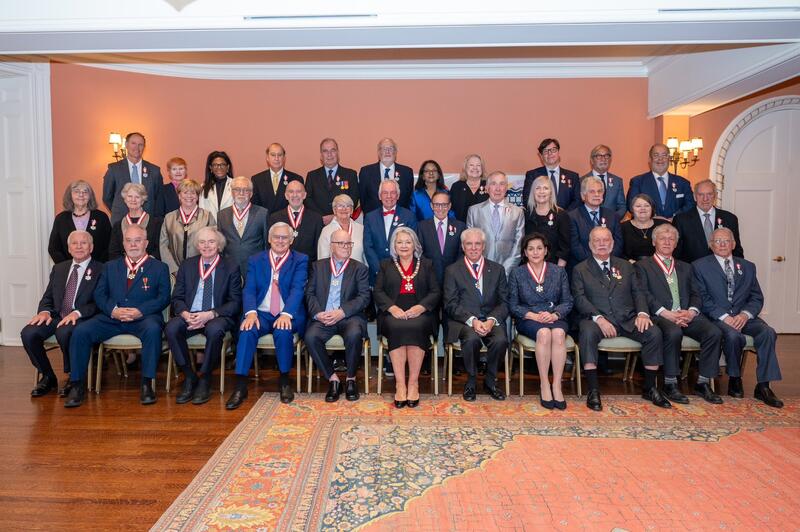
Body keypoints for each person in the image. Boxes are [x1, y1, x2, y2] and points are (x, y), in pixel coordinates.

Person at [64, 224, 171, 408]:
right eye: (129, 241)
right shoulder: (110, 266)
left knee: (153, 329)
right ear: (123, 243)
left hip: (144, 318)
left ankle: (147, 383)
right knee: (81, 331)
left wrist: (141, 311)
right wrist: (113, 310)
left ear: (146, 243)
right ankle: (77, 385)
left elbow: (164, 298)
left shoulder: (159, 267)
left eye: (138, 240)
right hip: (111, 318)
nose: (133, 245)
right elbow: (99, 294)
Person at [572, 227, 671, 411]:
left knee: (654, 333)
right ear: (590, 244)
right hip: (597, 320)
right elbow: (579, 298)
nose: (602, 244)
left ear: (612, 243)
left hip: (627, 318)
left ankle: (649, 387)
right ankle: (593, 390)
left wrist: (642, 313)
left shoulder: (626, 266)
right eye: (597, 241)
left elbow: (638, 292)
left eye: (606, 240)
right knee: (586, 332)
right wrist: (599, 318)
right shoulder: (580, 269)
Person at [693, 228, 783, 408]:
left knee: (768, 333)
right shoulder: (699, 266)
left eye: (726, 241)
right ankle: (735, 378)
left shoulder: (748, 266)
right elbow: (702, 298)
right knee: (734, 336)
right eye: (718, 241)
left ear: (734, 244)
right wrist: (725, 317)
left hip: (745, 316)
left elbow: (757, 297)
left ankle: (763, 386)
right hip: (717, 317)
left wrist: (745, 314)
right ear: (711, 245)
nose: (723, 244)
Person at [635, 224, 724, 404]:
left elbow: (696, 294)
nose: (667, 242)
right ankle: (670, 383)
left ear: (676, 244)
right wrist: (666, 313)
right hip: (660, 316)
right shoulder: (642, 266)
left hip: (686, 315)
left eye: (671, 239)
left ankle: (703, 382)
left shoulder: (686, 267)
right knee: (673, 332)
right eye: (662, 238)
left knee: (713, 332)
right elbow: (643, 293)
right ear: (654, 242)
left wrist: (691, 312)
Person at [225, 222, 308, 410]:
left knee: (283, 331)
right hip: (261, 312)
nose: (280, 241)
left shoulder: (300, 260)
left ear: (291, 240)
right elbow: (250, 289)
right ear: (269, 239)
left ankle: (285, 381)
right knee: (246, 330)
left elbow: (297, 289)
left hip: (288, 312)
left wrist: (287, 314)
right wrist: (251, 313)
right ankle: (240, 386)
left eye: (285, 237)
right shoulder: (256, 259)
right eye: (276, 237)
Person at [165, 227, 242, 405]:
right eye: (202, 242)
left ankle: (205, 378)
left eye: (211, 242)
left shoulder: (230, 267)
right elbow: (177, 297)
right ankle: (190, 376)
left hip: (216, 315)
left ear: (219, 245)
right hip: (190, 314)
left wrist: (210, 314)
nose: (207, 246)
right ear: (197, 246)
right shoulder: (187, 265)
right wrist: (185, 313)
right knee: (171, 328)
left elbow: (235, 302)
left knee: (215, 330)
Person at [22, 230, 103, 398]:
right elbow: (48, 297)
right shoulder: (59, 268)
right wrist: (44, 311)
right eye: (75, 243)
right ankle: (48, 376)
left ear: (91, 247)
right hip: (57, 315)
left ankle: (73, 376)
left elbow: (100, 303)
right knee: (29, 333)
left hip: (82, 317)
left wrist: (78, 313)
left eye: (84, 243)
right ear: (69, 248)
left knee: (64, 331)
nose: (79, 246)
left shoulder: (101, 269)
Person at [374, 227, 440, 408]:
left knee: (416, 326)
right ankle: (400, 384)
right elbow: (378, 292)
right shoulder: (385, 265)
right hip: (393, 312)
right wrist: (392, 308)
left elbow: (435, 292)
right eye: (399, 242)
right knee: (397, 327)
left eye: (408, 242)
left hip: (421, 312)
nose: (404, 245)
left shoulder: (426, 264)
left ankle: (413, 383)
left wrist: (420, 307)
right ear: (394, 246)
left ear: (415, 245)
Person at [305, 229, 371, 402]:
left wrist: (342, 312)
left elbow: (364, 297)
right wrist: (318, 313)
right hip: (324, 316)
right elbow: (309, 293)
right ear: (331, 246)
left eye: (348, 243)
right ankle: (333, 380)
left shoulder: (360, 268)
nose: (346, 247)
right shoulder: (317, 266)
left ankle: (350, 379)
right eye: (341, 243)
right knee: (311, 337)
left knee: (355, 334)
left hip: (349, 316)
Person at [508, 233, 573, 409]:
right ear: (525, 253)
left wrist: (555, 314)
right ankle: (544, 384)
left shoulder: (559, 272)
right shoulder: (517, 273)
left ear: (546, 251)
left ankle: (557, 385)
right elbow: (513, 305)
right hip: (529, 319)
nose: (535, 252)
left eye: (539, 248)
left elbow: (567, 301)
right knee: (544, 333)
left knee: (558, 333)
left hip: (555, 317)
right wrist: (534, 316)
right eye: (530, 249)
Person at [443, 228, 509, 402]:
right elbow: (450, 303)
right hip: (464, 321)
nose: (473, 248)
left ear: (484, 246)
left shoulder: (497, 269)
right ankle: (471, 381)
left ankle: (490, 381)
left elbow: (504, 302)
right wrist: (472, 321)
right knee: (471, 339)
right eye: (469, 244)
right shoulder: (452, 270)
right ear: (463, 247)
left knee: (500, 340)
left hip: (490, 319)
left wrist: (491, 320)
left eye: (477, 244)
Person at [466, 171, 525, 277]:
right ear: (487, 188)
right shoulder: (474, 211)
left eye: (502, 184)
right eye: (493, 184)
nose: (498, 188)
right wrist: (481, 267)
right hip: (480, 271)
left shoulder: (518, 212)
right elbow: (470, 243)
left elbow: (519, 244)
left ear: (506, 188)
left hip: (508, 272)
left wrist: (505, 270)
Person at [673, 179, 744, 263]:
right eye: (701, 195)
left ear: (715, 195)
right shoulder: (681, 220)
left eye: (709, 194)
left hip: (723, 273)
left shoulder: (730, 219)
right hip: (692, 273)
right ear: (695, 196)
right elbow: (676, 253)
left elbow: (736, 251)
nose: (705, 199)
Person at [363, 179, 417, 284]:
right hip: (377, 275)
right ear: (379, 196)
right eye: (385, 193)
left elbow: (412, 246)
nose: (389, 196)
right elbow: (368, 246)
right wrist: (380, 270)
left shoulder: (409, 216)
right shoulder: (370, 217)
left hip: (402, 275)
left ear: (398, 196)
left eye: (393, 193)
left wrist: (397, 271)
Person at [102, 132, 163, 224]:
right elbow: (107, 197)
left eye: (140, 144)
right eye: (133, 143)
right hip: (121, 220)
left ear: (144, 147)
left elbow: (158, 197)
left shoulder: (154, 171)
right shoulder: (114, 169)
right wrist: (119, 209)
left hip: (148, 221)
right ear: (126, 145)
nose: (137, 147)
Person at [159, 179, 216, 275]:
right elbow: (163, 245)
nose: (189, 196)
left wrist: (204, 266)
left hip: (202, 270)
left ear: (198, 196)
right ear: (179, 196)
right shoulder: (169, 217)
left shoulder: (207, 216)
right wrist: (174, 270)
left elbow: (213, 243)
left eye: (193, 193)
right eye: (185, 192)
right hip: (175, 272)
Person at [216, 176, 269, 278]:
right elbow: (220, 245)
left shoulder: (262, 213)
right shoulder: (222, 215)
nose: (241, 193)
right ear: (232, 192)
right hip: (229, 268)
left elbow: (266, 243)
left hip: (255, 267)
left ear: (251, 193)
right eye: (237, 189)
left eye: (246, 190)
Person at [567, 175, 623, 270]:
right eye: (592, 191)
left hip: (609, 266)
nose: (597, 194)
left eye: (600, 191)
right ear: (583, 195)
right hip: (583, 268)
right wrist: (596, 263)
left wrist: (606, 261)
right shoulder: (572, 217)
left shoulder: (612, 215)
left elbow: (618, 243)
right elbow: (575, 246)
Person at [48, 180, 111, 263]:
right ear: (70, 196)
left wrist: (98, 266)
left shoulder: (101, 217)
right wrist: (67, 267)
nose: (81, 195)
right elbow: (54, 248)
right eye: (76, 192)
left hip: (97, 269)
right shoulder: (61, 219)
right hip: (69, 270)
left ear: (90, 196)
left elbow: (109, 246)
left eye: (85, 192)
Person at [627, 143, 695, 220]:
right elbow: (631, 206)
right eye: (656, 155)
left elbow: (690, 205)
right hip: (647, 228)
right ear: (650, 159)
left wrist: (674, 218)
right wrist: (654, 218)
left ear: (669, 158)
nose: (660, 159)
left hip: (676, 227)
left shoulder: (683, 183)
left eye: (664, 155)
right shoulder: (638, 182)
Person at [417, 191, 466, 287]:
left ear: (449, 206)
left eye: (444, 205)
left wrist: (454, 271)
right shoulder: (421, 226)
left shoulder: (460, 226)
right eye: (436, 205)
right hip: (429, 278)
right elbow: (419, 252)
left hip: (454, 278)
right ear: (431, 206)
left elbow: (462, 252)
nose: (440, 208)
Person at [305, 138, 359, 224]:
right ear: (321, 155)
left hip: (343, 221)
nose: (329, 154)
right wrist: (322, 217)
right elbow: (307, 199)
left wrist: (336, 216)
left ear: (338, 153)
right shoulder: (312, 176)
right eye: (325, 151)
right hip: (319, 222)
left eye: (333, 150)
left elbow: (353, 199)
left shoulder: (350, 175)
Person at [269, 180, 324, 264]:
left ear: (304, 195)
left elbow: (318, 249)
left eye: (298, 191)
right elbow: (270, 246)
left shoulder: (316, 218)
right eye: (291, 192)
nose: (295, 195)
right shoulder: (274, 218)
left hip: (307, 269)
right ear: (286, 196)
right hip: (281, 267)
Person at [358, 137, 414, 215]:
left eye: (390, 148)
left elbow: (409, 200)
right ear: (378, 152)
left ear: (395, 152)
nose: (387, 151)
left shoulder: (407, 173)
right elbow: (363, 199)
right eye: (384, 149)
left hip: (400, 220)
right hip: (373, 220)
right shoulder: (366, 172)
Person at [108, 183, 163, 260]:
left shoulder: (157, 223)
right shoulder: (118, 225)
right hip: (124, 268)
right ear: (125, 199)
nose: (133, 200)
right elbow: (113, 252)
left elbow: (160, 248)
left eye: (137, 197)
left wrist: (146, 261)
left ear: (143, 200)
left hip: (149, 266)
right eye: (130, 196)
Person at [523, 138, 580, 211]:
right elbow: (527, 200)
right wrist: (543, 215)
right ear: (541, 156)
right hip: (540, 220)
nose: (550, 153)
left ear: (558, 152)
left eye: (553, 150)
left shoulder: (573, 177)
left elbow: (577, 201)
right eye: (545, 151)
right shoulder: (532, 175)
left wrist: (563, 216)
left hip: (567, 220)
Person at [524, 175, 569, 266]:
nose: (541, 191)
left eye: (545, 188)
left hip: (554, 268)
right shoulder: (525, 215)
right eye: (538, 188)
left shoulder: (561, 215)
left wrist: (558, 272)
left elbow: (565, 249)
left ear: (551, 192)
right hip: (528, 269)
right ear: (533, 192)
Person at [250, 142, 303, 213]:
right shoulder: (256, 179)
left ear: (284, 158)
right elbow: (255, 206)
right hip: (264, 222)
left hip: (287, 222)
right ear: (267, 158)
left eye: (280, 155)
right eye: (273, 155)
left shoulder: (296, 179)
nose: (276, 158)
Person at [317, 194, 366, 265]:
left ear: (352, 210)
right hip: (335, 275)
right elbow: (322, 259)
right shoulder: (326, 231)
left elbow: (366, 256)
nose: (344, 209)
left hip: (358, 274)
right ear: (334, 210)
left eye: (348, 206)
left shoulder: (361, 229)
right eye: (340, 206)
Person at [581, 144, 626, 219]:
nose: (603, 159)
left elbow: (622, 207)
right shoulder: (581, 180)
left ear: (610, 160)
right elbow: (579, 206)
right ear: (592, 160)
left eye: (606, 156)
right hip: (588, 224)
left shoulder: (617, 181)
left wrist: (612, 219)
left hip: (611, 225)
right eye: (599, 156)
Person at [621, 193, 667, 261]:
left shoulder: (663, 225)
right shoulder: (622, 228)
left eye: (647, 206)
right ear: (632, 209)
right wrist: (628, 262)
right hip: (631, 266)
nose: (643, 209)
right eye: (638, 206)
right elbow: (619, 251)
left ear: (652, 208)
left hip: (659, 266)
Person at [449, 154, 488, 223]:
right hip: (461, 229)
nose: (475, 168)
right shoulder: (456, 187)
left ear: (482, 168)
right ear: (465, 168)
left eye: (478, 165)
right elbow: (451, 211)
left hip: (484, 230)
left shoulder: (488, 186)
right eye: (471, 165)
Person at [199, 150, 234, 219]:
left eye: (222, 164)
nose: (219, 167)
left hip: (230, 226)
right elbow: (201, 210)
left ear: (228, 167)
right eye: (215, 165)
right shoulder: (203, 186)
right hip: (210, 227)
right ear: (210, 168)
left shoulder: (235, 185)